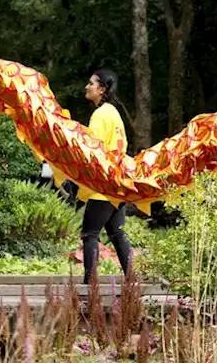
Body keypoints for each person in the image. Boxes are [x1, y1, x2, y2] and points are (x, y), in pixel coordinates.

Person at [80, 69, 133, 281]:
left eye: (91, 84)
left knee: (89, 234)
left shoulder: (100, 115)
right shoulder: (114, 113)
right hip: (117, 184)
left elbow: (92, 149)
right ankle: (132, 280)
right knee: (116, 232)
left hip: (102, 186)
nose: (87, 87)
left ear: (102, 89)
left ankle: (89, 284)